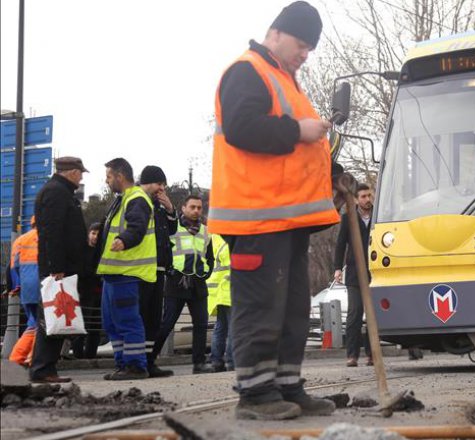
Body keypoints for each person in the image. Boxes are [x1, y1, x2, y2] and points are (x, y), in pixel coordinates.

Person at [209, 0, 340, 420]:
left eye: (310, 48)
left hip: (284, 220)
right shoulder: (247, 71)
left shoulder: (285, 80)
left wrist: (332, 172)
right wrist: (297, 130)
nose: (305, 54)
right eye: (302, 44)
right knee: (261, 308)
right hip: (257, 219)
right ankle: (255, 394)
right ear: (276, 33)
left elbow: (295, 153)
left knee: (292, 310)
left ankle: (286, 386)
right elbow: (242, 128)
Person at [29, 157, 89, 383]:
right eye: (80, 173)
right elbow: (52, 233)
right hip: (58, 269)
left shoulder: (59, 191)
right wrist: (57, 267)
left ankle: (46, 368)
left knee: (57, 316)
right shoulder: (56, 192)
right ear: (72, 172)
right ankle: (42, 369)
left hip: (61, 267)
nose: (81, 178)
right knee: (53, 316)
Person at [96, 158, 156, 381]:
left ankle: (135, 366)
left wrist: (124, 240)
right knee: (112, 323)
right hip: (114, 273)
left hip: (127, 272)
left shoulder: (136, 198)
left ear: (120, 176)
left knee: (127, 320)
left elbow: (137, 227)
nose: (107, 181)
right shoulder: (123, 199)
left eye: (109, 176)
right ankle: (123, 364)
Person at [152, 195, 214, 374]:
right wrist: (170, 270)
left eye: (199, 208)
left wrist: (206, 272)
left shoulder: (205, 231)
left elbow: (209, 256)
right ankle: (149, 360)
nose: (196, 211)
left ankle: (199, 364)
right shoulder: (174, 227)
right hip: (176, 281)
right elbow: (164, 249)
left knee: (201, 324)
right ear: (184, 208)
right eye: (192, 207)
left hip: (197, 282)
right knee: (167, 323)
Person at [137, 165, 178, 378]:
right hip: (141, 268)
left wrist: (170, 210)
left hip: (159, 268)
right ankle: (136, 362)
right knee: (141, 315)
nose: (162, 189)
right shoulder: (138, 202)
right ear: (147, 182)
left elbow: (171, 230)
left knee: (154, 319)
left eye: (164, 185)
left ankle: (149, 361)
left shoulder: (159, 206)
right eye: (159, 184)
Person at [334, 183, 374, 368]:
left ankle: (373, 354)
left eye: (369, 195)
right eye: (363, 196)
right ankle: (352, 355)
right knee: (355, 313)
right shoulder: (348, 218)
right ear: (357, 200)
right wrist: (337, 268)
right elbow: (340, 244)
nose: (367, 199)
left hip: (375, 271)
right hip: (354, 273)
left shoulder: (378, 215)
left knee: (372, 315)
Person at [8, 217, 40, 366]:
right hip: (43, 287)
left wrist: (18, 285)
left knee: (33, 323)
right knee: (41, 325)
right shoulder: (46, 238)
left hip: (26, 288)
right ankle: (31, 358)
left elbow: (13, 267)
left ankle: (17, 359)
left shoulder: (20, 240)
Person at [70, 223, 103, 359]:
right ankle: (78, 354)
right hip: (84, 292)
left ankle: (91, 354)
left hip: (99, 292)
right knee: (82, 324)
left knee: (96, 326)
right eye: (93, 233)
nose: (95, 237)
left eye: (98, 234)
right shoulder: (82, 251)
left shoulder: (102, 251)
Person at [207, 233, 234, 372]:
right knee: (233, 327)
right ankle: (231, 361)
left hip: (220, 290)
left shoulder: (215, 236)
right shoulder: (231, 238)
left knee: (221, 326)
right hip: (230, 289)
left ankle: (216, 360)